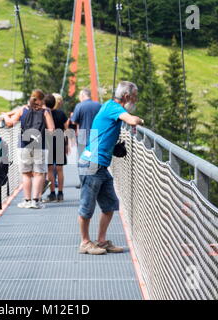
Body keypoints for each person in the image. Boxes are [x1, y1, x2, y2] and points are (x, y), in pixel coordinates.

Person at [77, 81, 144, 255]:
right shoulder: (114, 108)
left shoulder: (109, 106)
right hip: (92, 163)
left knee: (110, 205)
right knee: (87, 206)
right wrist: (139, 120)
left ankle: (101, 241)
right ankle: (85, 243)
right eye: (135, 97)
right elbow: (131, 120)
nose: (135, 101)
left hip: (101, 165)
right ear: (127, 96)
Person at [2, 89, 55, 209]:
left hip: (23, 146)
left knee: (26, 174)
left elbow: (10, 123)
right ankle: (35, 201)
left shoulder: (23, 110)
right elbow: (52, 129)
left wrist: (5, 115)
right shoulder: (45, 111)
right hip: (40, 146)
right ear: (42, 100)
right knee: (39, 173)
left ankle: (27, 200)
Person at [70, 88, 102, 188]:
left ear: (83, 95)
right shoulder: (98, 105)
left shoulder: (79, 106)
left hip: (83, 137)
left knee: (82, 159)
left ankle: (83, 181)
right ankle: (95, 180)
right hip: (96, 136)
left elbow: (74, 121)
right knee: (94, 159)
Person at [43, 93, 68, 202]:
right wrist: (66, 144)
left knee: (49, 169)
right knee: (59, 169)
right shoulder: (61, 114)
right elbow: (66, 130)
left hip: (48, 143)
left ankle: (52, 193)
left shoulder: (43, 114)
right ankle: (61, 193)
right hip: (59, 142)